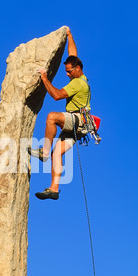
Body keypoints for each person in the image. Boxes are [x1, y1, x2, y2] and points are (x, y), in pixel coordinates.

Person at [28, 26, 91, 200]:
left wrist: (44, 78)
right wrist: (70, 36)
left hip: (77, 120)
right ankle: (54, 189)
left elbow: (56, 96)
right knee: (59, 154)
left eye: (69, 71)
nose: (68, 74)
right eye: (66, 71)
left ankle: (45, 152)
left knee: (52, 117)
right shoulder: (80, 76)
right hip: (79, 127)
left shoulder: (78, 83)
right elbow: (73, 55)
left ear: (78, 69)